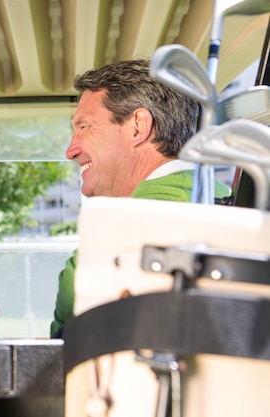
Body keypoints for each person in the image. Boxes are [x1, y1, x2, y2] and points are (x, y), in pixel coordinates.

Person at [50, 59, 230, 338]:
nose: (71, 150)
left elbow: (64, 326)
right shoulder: (231, 203)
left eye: (84, 127)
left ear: (138, 126)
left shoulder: (116, 231)